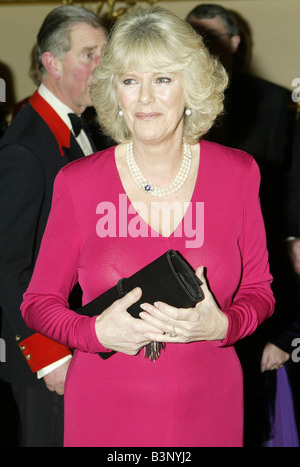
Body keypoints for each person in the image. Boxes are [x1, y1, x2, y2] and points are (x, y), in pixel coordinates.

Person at [21, 6, 275, 447]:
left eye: (162, 79)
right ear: (114, 91)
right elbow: (37, 302)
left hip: (211, 404)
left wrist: (224, 326)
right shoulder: (79, 183)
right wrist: (94, 331)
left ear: (190, 86)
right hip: (104, 408)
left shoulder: (238, 174)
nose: (144, 99)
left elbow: (261, 291)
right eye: (130, 81)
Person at [186, 4, 300, 446]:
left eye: (213, 36)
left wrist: (290, 234)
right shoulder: (177, 98)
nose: (206, 44)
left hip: (261, 243)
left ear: (235, 43)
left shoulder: (274, 100)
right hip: (197, 245)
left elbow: (290, 177)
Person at [0, 5, 107, 447]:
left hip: (82, 335)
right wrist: (49, 357)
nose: (103, 66)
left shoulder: (85, 128)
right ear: (52, 63)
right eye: (90, 55)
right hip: (47, 355)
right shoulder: (24, 149)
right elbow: (8, 267)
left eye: (106, 53)